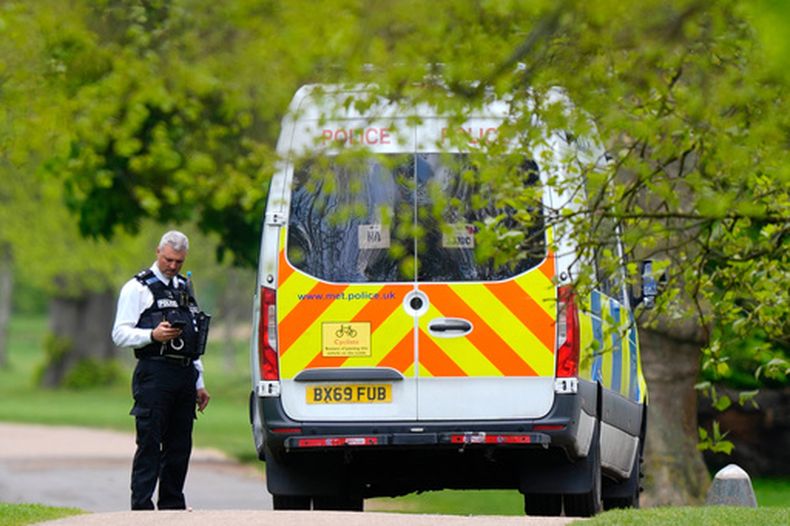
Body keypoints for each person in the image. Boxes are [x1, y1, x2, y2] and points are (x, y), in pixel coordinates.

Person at [112, 230, 211, 510]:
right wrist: (151, 335)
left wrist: (199, 382)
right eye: (168, 259)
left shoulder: (184, 287)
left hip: (184, 373)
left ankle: (172, 506)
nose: (172, 266)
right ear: (158, 252)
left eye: (178, 261)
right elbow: (119, 334)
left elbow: (192, 338)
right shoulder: (137, 288)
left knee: (180, 445)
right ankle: (142, 508)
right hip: (154, 373)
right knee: (150, 442)